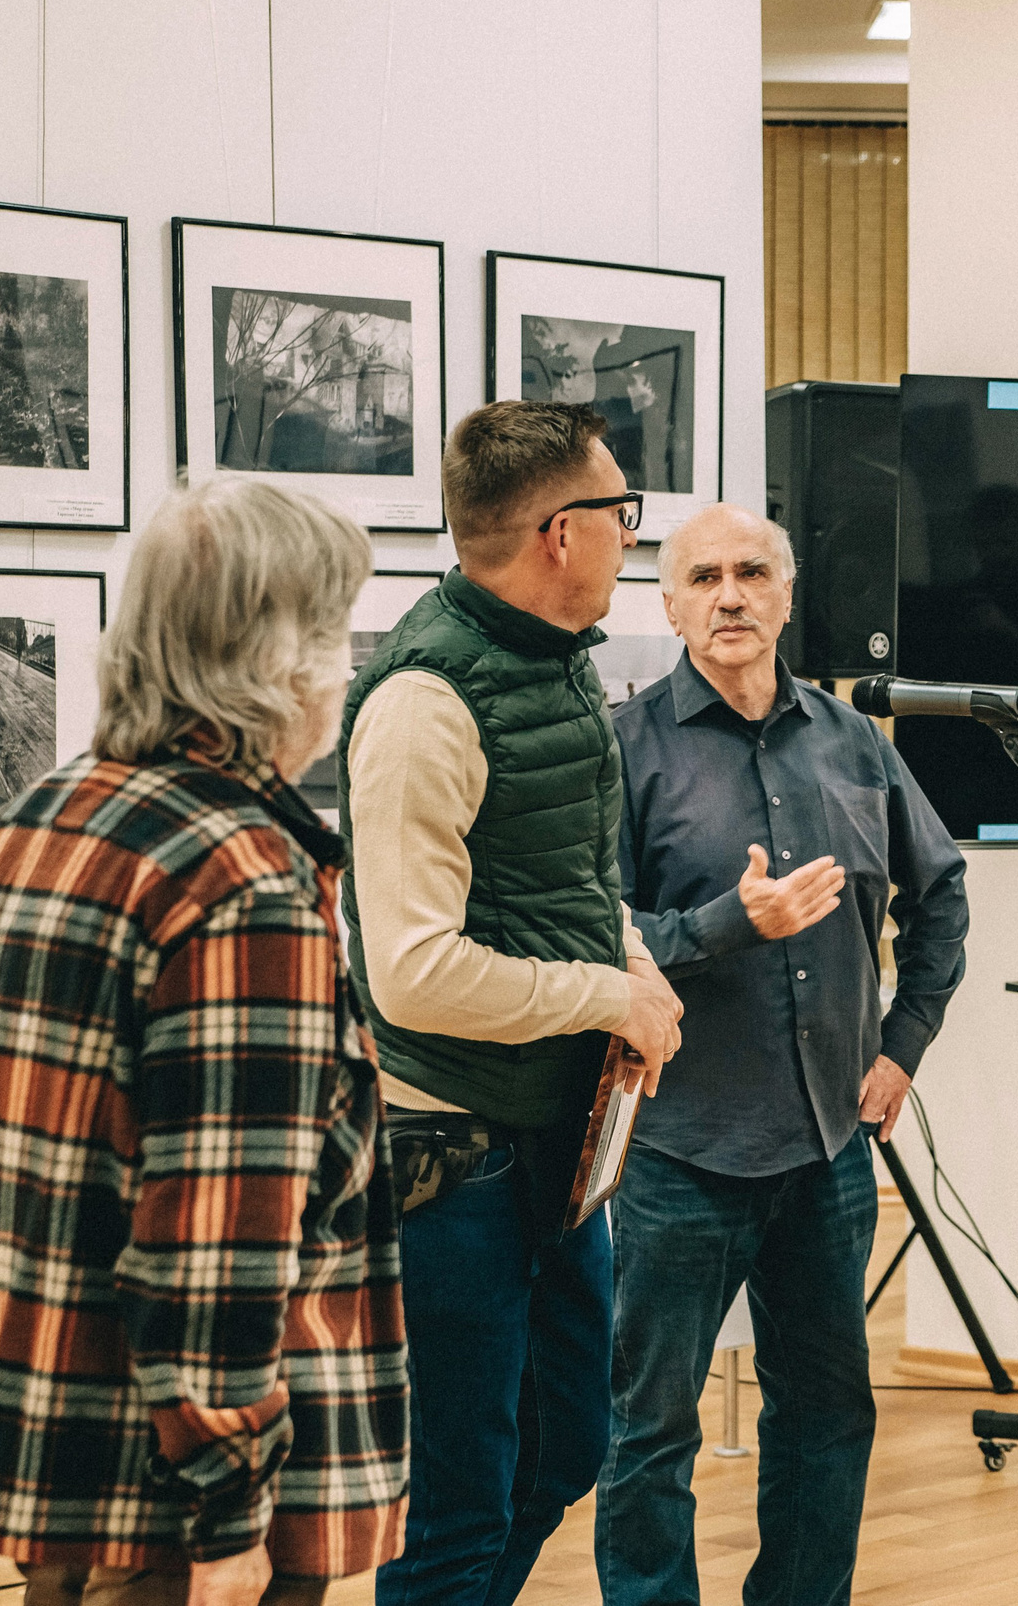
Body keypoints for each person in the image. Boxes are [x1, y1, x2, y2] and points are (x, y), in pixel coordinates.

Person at [0, 479, 405, 1606]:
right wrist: (232, 1508)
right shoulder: (243, 879)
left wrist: (67, 1223)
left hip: (59, 1440)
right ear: (280, 657)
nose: (346, 669)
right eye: (337, 636)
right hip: (179, 1495)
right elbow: (217, 1243)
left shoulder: (38, 819)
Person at [340, 400, 685, 1606]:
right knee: (456, 1505)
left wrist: (630, 962)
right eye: (621, 511)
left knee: (564, 1449)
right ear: (558, 531)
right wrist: (603, 987)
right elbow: (412, 969)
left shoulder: (554, 663)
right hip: (451, 1165)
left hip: (553, 1140)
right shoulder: (424, 703)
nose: (631, 535)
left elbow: (568, 879)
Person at [597, 502, 969, 1606]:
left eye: (752, 572)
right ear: (666, 603)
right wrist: (728, 923)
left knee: (825, 1412)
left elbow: (940, 894)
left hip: (826, 1147)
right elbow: (596, 940)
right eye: (703, 575)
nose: (729, 594)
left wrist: (902, 1044)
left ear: (787, 594)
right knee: (648, 1428)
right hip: (679, 1149)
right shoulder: (626, 749)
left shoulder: (853, 741)